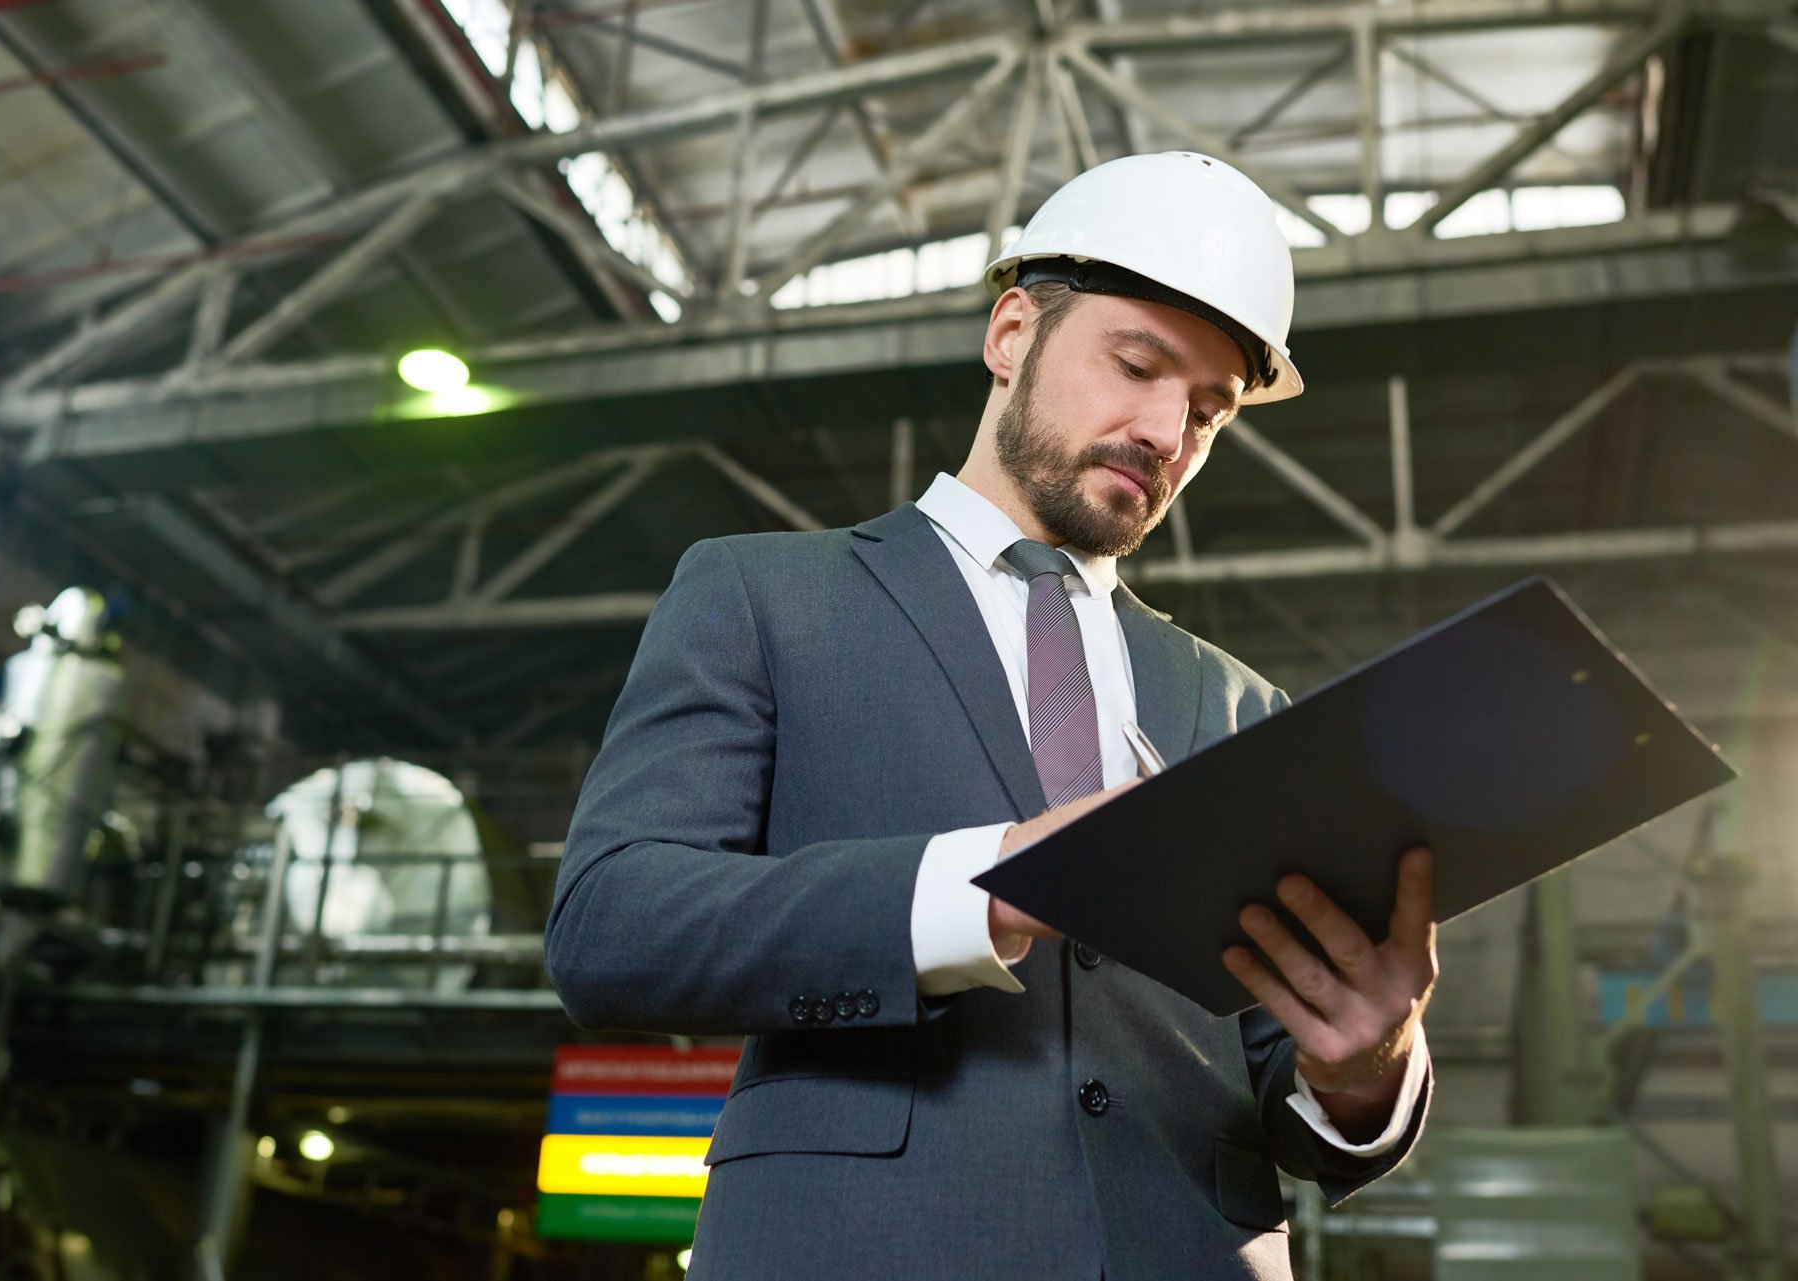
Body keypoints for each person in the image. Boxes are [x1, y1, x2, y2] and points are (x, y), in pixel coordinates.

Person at [544, 152, 1437, 1280]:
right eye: (1137, 365)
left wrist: (1365, 1069)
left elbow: (1283, 1076)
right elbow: (612, 923)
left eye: (1209, 413)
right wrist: (991, 885)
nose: (1167, 431)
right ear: (1012, 333)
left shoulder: (1246, 709)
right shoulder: (762, 596)